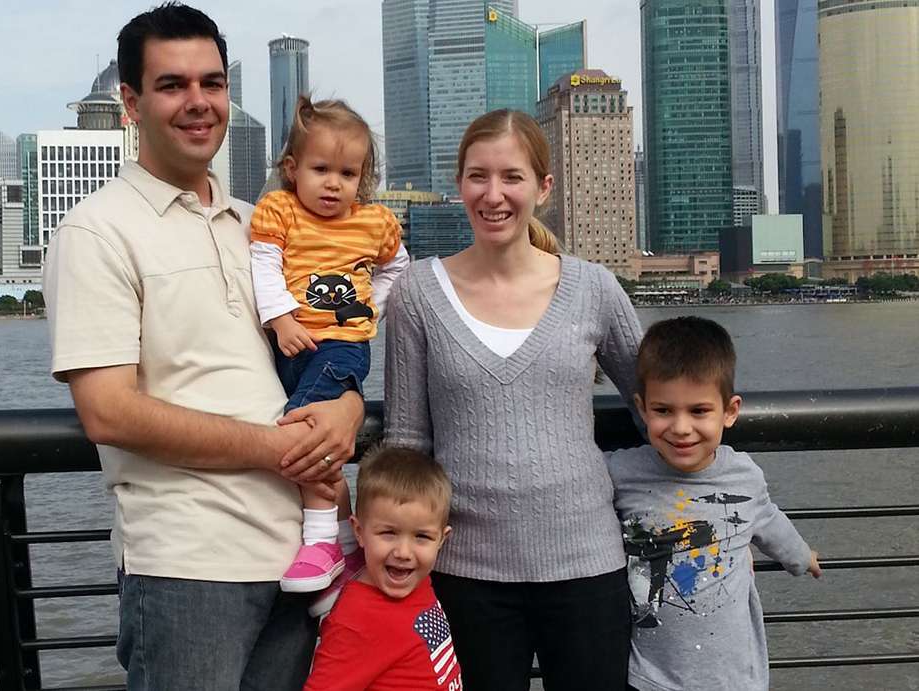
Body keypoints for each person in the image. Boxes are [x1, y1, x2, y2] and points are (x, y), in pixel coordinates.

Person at [42, 4, 365, 689]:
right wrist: (278, 449)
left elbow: (321, 347)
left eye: (212, 83)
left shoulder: (260, 224)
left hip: (298, 559)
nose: (199, 102)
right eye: (173, 85)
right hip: (186, 567)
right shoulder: (96, 232)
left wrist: (349, 409)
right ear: (131, 103)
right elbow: (108, 412)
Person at [382, 109, 643, 691]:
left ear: (543, 188)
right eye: (478, 176)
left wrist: (713, 515)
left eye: (512, 177)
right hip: (461, 575)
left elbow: (659, 407)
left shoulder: (594, 288)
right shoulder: (416, 294)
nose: (493, 194)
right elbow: (406, 444)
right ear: (459, 185)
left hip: (587, 565)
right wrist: (386, 551)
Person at [607, 316, 821, 691]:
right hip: (651, 677)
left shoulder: (743, 476)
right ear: (642, 409)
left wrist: (801, 557)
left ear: (730, 411)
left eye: (699, 411)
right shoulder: (621, 472)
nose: (681, 427)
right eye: (663, 410)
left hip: (733, 677)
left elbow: (770, 521)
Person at [250, 95, 409, 595]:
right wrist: (281, 319)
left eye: (348, 173)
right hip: (291, 343)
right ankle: (344, 542)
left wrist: (368, 309)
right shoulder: (279, 211)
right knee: (309, 427)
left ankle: (320, 543)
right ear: (292, 169)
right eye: (321, 169)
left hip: (341, 345)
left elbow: (398, 268)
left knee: (305, 430)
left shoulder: (374, 222)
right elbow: (264, 264)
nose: (334, 183)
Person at [303, 446, 463, 691]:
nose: (403, 553)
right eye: (388, 533)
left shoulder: (418, 580)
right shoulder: (358, 620)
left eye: (421, 537)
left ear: (442, 539)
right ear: (359, 531)